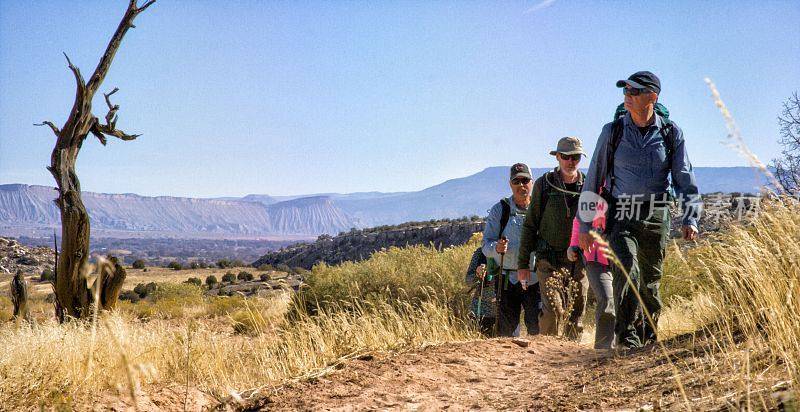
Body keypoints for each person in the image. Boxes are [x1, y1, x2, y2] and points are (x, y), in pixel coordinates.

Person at [579, 71, 702, 349]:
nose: (628, 96)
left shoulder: (671, 133)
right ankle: (627, 339)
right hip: (621, 213)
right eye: (625, 91)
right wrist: (585, 225)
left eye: (634, 92)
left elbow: (684, 178)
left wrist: (690, 218)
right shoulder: (613, 132)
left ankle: (648, 340)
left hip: (657, 214)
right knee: (628, 271)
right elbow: (594, 177)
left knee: (650, 281)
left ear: (652, 97)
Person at [518, 138, 589, 341]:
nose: (570, 161)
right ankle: (546, 359)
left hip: (579, 259)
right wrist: (523, 265)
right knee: (553, 311)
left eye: (575, 157)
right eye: (565, 157)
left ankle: (570, 363)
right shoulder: (544, 185)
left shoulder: (588, 186)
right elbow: (530, 225)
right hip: (548, 258)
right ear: (557, 157)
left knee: (576, 314)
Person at [482, 163, 542, 337]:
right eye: (516, 181)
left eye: (525, 180)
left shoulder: (540, 209)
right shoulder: (500, 210)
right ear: (510, 184)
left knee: (538, 333)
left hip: (535, 279)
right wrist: (497, 248)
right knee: (507, 337)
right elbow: (485, 245)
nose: (521, 185)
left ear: (532, 182)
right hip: (507, 280)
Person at [567, 211, 614, 349]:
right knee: (606, 299)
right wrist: (573, 244)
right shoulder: (593, 191)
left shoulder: (630, 191)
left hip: (624, 256)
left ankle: (627, 346)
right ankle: (604, 350)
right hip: (595, 257)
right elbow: (579, 220)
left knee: (624, 301)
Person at [464, 248, 496, 336]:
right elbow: (468, 281)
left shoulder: (511, 252)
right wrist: (477, 274)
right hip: (480, 310)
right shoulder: (480, 253)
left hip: (503, 312)